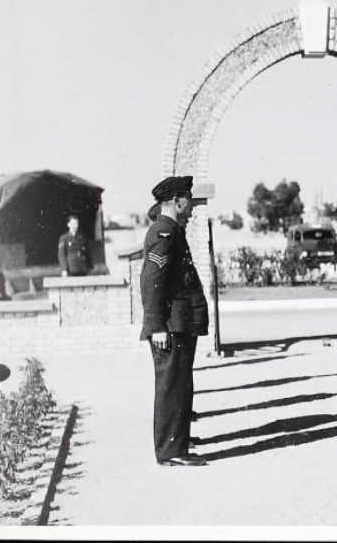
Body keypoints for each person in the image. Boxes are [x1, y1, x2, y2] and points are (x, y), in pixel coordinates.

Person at [139, 175, 209, 467]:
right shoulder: (163, 233)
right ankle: (171, 451)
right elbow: (151, 281)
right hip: (170, 325)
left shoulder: (171, 231)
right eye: (188, 200)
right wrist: (157, 326)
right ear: (177, 201)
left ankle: (178, 440)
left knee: (180, 384)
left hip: (179, 323)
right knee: (171, 386)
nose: (191, 206)